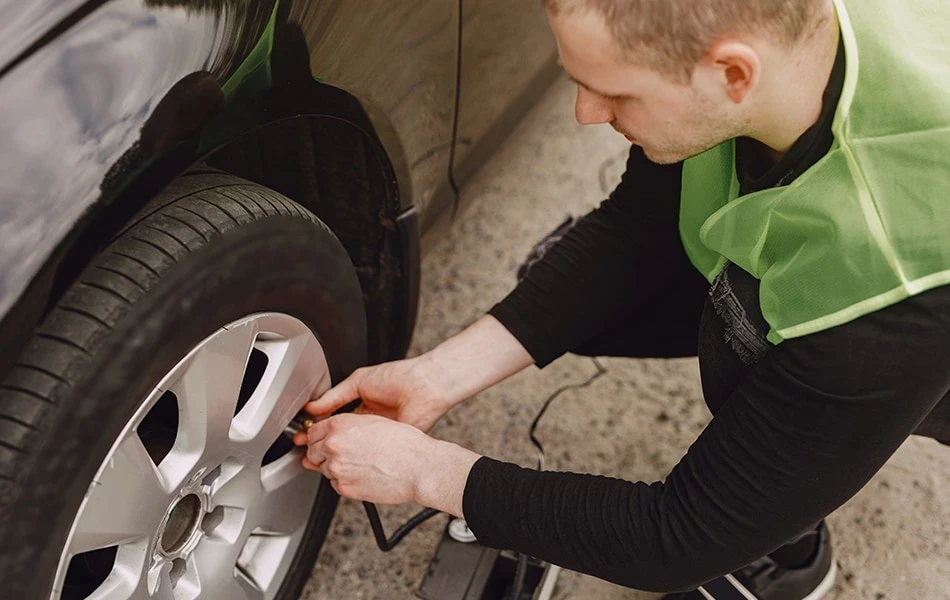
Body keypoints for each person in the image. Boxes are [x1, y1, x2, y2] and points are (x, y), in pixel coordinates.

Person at [292, 0, 950, 597]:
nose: (584, 113)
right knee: (569, 281)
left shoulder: (888, 272)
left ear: (733, 74)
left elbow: (674, 539)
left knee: (741, 340)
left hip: (912, 316)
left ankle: (784, 546)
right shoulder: (766, 50)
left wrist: (429, 475)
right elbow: (639, 225)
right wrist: (436, 376)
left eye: (612, 93)